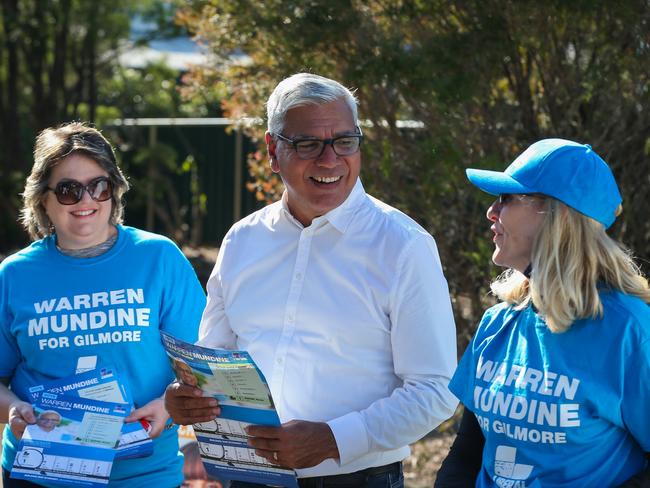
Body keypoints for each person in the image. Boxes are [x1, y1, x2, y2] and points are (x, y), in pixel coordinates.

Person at [164, 73, 458, 487]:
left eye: (344, 141)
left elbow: (436, 390)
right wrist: (186, 397)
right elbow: (213, 363)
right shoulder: (242, 240)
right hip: (249, 478)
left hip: (357, 479)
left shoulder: (403, 246)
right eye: (308, 144)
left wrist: (333, 440)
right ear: (272, 149)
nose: (329, 159)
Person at [0, 122, 207, 487]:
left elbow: (202, 365)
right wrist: (14, 409)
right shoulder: (15, 275)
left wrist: (168, 407)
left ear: (114, 192)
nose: (86, 201)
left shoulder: (159, 258)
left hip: (143, 474)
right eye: (68, 190)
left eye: (99, 186)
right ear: (42, 198)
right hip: (39, 472)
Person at [435, 139, 650, 487]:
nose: (492, 212)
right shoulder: (497, 322)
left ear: (556, 215)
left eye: (506, 198)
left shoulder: (628, 330)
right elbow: (468, 448)